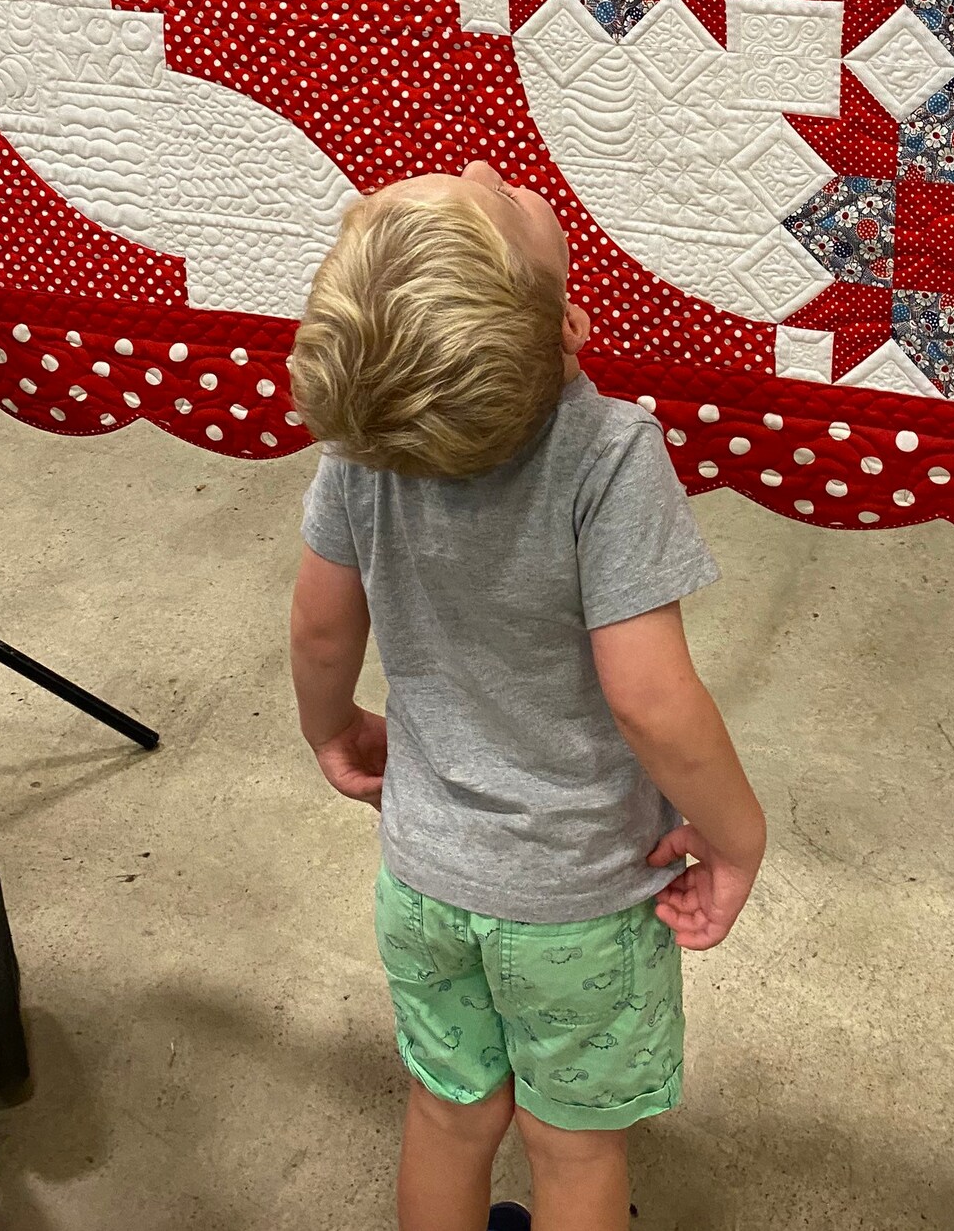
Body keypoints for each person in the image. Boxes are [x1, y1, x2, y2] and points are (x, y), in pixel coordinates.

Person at [288, 160, 765, 1231]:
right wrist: (735, 835)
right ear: (567, 329)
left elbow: (322, 623)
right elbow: (649, 697)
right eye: (495, 199)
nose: (485, 167)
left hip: (422, 880)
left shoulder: (365, 446)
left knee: (449, 1112)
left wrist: (330, 728)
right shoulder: (606, 451)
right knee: (574, 1141)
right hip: (580, 902)